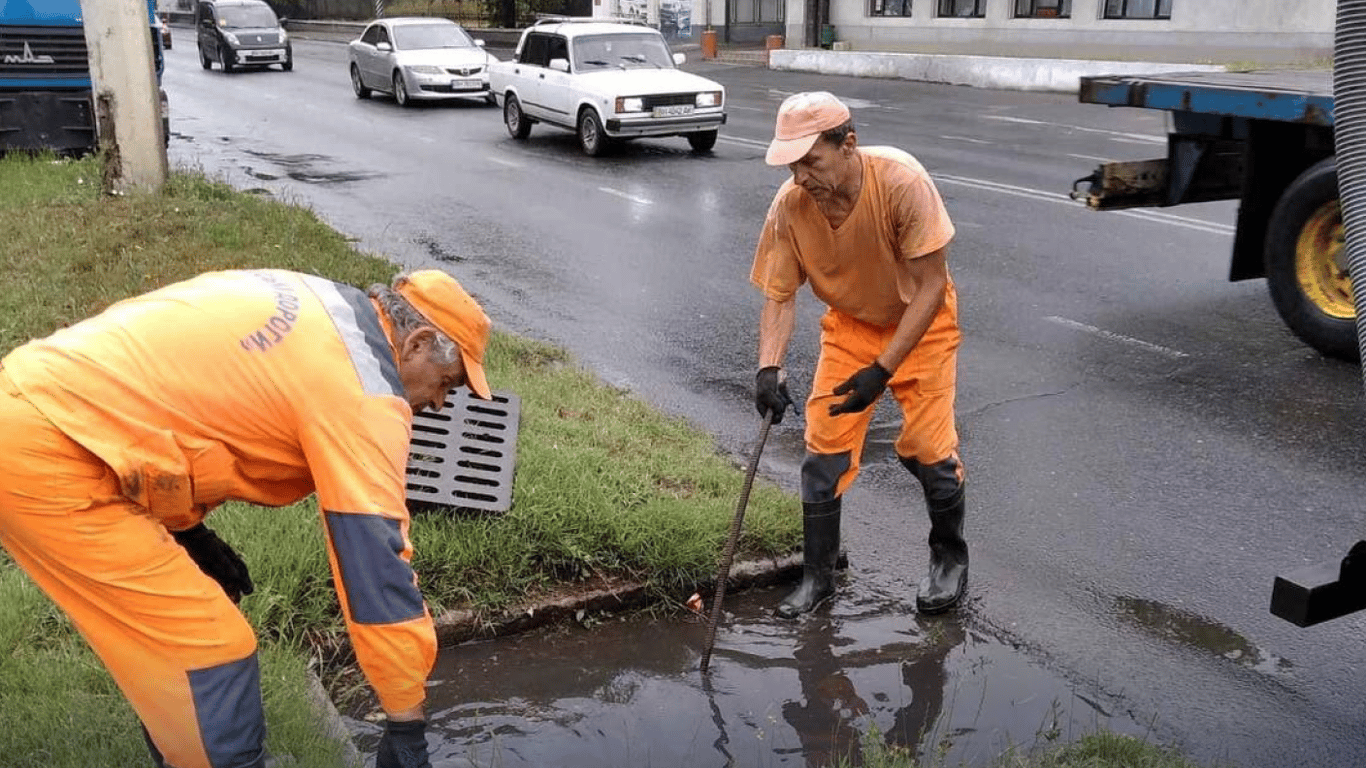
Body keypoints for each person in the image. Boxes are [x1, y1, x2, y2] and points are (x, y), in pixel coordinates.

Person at [0, 268, 494, 768]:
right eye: (447, 383)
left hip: (42, 403)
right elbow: (375, 565)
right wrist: (406, 723)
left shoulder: (320, 302)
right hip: (49, 454)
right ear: (418, 343)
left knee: (183, 637)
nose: (438, 402)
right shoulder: (364, 394)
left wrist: (188, 532)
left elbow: (173, 404)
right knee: (210, 650)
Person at [750, 91, 968, 618]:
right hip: (851, 328)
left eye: (810, 161)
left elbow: (932, 287)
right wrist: (768, 367)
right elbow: (780, 294)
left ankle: (949, 561)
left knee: (929, 449)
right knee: (822, 447)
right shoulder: (790, 206)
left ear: (848, 144)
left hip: (922, 324)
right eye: (791, 164)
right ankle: (818, 577)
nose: (800, 177)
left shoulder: (901, 182)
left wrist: (883, 370)